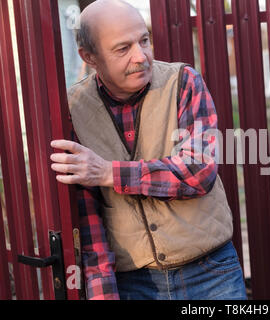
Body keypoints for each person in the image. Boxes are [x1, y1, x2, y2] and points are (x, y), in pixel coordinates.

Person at [50, 0, 246, 300]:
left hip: (210, 272)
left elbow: (198, 171)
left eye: (144, 40)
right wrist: (104, 294)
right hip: (133, 283)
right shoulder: (74, 108)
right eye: (122, 48)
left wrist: (107, 173)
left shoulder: (183, 82)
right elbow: (87, 215)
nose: (141, 56)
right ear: (89, 57)